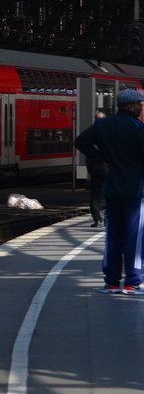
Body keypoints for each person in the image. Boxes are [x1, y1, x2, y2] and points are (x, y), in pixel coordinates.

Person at [75, 88, 144, 294]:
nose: (141, 107)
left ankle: (112, 281)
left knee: (113, 236)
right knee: (134, 236)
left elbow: (80, 141)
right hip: (135, 189)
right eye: (140, 104)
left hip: (112, 188)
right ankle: (133, 281)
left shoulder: (103, 125)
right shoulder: (138, 128)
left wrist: (101, 159)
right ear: (132, 105)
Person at [86, 110, 108, 227]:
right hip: (108, 169)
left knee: (95, 195)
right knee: (109, 194)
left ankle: (97, 220)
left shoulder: (90, 134)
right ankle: (106, 219)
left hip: (95, 169)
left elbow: (84, 148)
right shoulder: (111, 134)